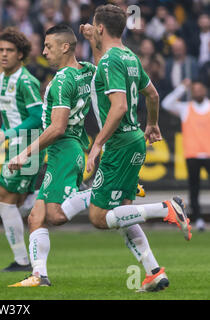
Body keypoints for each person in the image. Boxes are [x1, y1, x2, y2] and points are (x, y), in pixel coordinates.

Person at [59, 4, 192, 292]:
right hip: (135, 140)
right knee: (123, 212)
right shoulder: (129, 57)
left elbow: (118, 107)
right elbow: (153, 95)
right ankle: (154, 271)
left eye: (94, 26)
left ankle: (166, 208)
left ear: (101, 28)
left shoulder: (109, 62)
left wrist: (97, 145)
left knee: (98, 217)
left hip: (119, 144)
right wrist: (152, 125)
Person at [7, 24, 95, 287]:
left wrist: (25, 153)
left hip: (65, 149)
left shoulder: (60, 81)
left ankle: (102, 189)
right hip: (71, 147)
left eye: (49, 46)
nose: (44, 51)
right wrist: (94, 38)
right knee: (36, 217)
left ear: (65, 47)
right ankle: (39, 275)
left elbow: (57, 128)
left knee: (56, 215)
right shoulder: (86, 71)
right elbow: (100, 63)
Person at [0, 27, 44, 272]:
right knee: (18, 202)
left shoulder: (26, 80)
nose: (4, 54)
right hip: (16, 147)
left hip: (28, 147)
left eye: (9, 50)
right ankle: (56, 196)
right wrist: (1, 142)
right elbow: (11, 118)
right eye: (1, 50)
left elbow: (37, 117)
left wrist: (6, 135)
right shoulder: (2, 77)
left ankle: (21, 261)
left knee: (4, 201)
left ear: (21, 54)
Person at [161, 79, 209, 232]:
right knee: (194, 189)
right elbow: (166, 104)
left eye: (200, 89)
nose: (197, 92)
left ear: (205, 91)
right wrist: (182, 87)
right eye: (194, 90)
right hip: (192, 155)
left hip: (208, 154)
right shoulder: (186, 108)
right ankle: (199, 220)